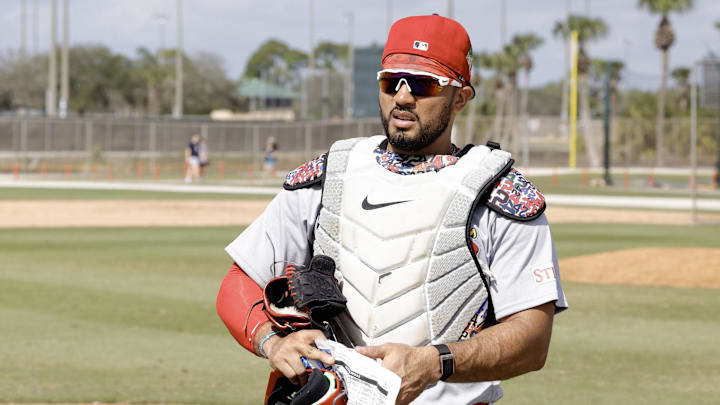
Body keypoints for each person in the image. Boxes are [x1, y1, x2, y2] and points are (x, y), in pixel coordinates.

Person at [217, 14, 567, 405]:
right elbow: (239, 280)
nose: (402, 97)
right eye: (391, 82)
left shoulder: (501, 194)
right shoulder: (330, 172)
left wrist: (435, 363)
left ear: (461, 98)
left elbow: (533, 339)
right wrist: (272, 342)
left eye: (423, 84)